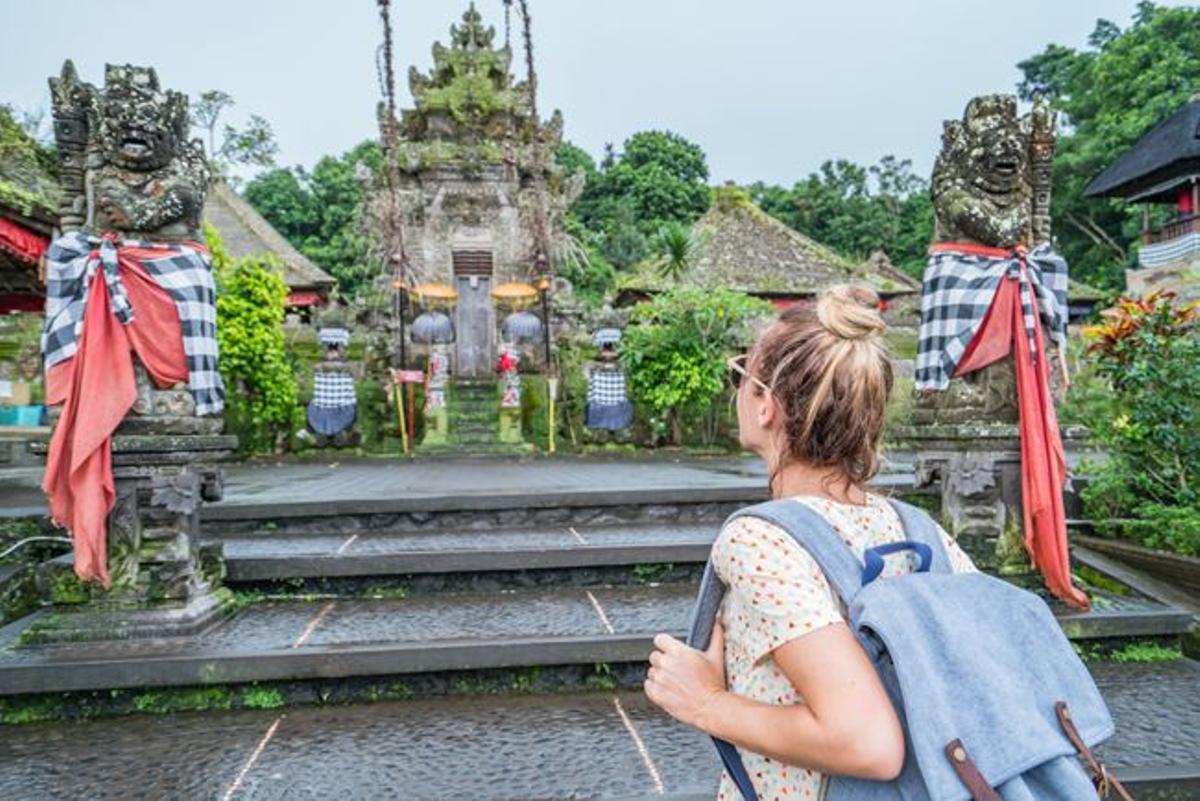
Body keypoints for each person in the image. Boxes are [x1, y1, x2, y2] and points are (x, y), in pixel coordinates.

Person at [644, 284, 978, 800]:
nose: (736, 389)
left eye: (741, 376)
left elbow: (868, 743)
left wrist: (705, 702)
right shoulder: (922, 534)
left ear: (767, 407)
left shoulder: (762, 540)